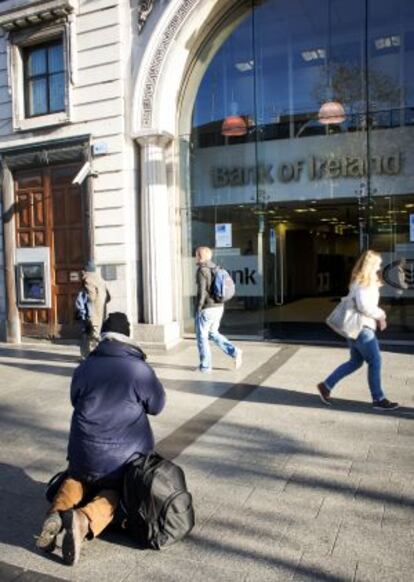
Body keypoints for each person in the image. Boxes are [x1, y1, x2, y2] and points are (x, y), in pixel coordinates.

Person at [36, 312, 166, 565]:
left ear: (104, 337)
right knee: (116, 491)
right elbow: (157, 406)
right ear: (128, 338)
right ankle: (83, 520)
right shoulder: (139, 369)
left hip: (82, 452)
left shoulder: (85, 366)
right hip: (123, 459)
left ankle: (55, 515)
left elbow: (75, 400)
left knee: (77, 478)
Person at [317, 250, 399, 411]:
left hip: (355, 327)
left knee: (355, 361)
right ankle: (378, 399)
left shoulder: (360, 281)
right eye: (378, 263)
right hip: (362, 328)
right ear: (371, 264)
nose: (380, 266)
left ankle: (326, 386)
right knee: (374, 361)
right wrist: (381, 315)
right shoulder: (364, 283)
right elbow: (364, 306)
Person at [195, 246, 242, 372]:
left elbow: (202, 292)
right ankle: (235, 352)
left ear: (200, 256)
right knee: (213, 333)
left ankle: (205, 366)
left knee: (202, 337)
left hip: (207, 308)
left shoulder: (202, 270)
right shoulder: (216, 268)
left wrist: (199, 308)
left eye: (196, 254)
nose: (195, 257)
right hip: (219, 307)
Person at [75, 261, 110, 360]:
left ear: (86, 270)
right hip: (100, 312)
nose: (82, 272)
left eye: (84, 270)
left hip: (91, 313)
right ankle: (90, 356)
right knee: (94, 333)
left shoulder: (88, 279)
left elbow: (91, 298)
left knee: (89, 335)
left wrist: (87, 313)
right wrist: (101, 305)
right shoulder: (101, 279)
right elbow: (109, 297)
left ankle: (89, 357)